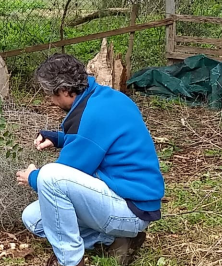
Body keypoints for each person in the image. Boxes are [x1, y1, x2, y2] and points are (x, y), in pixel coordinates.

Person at [16, 53, 165, 266]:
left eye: (51, 94)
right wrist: (58, 139)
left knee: (49, 176)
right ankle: (115, 239)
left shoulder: (92, 115)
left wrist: (32, 177)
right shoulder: (105, 98)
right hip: (127, 198)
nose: (50, 100)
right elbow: (98, 141)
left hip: (131, 208)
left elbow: (65, 172)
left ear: (65, 91)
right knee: (34, 219)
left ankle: (71, 261)